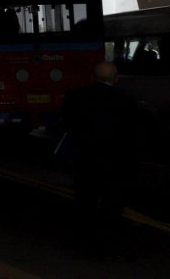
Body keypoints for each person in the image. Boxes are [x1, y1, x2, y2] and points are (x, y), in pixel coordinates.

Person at [61, 60, 141, 258]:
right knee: (112, 204)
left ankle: (85, 240)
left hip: (85, 159)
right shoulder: (126, 100)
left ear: (93, 78)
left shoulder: (76, 97)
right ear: (116, 79)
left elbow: (67, 123)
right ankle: (108, 243)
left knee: (85, 201)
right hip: (114, 161)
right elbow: (133, 133)